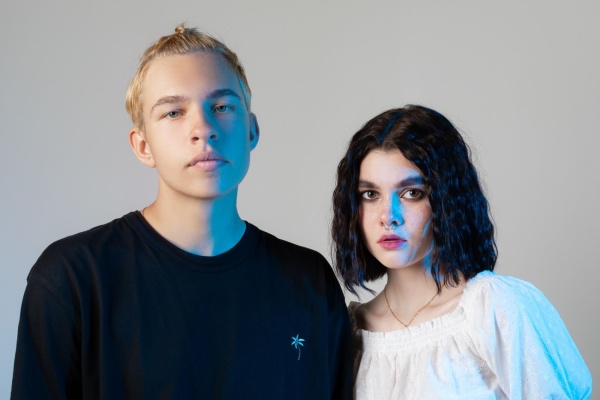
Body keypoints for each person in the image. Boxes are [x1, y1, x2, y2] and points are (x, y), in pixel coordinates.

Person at [11, 25, 352, 399]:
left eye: (221, 107)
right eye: (173, 112)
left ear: (251, 131)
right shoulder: (73, 279)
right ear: (143, 146)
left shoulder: (309, 281)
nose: (203, 129)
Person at [331, 105, 592, 399]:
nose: (388, 216)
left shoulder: (495, 309)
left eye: (412, 193)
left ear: (447, 200)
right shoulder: (348, 333)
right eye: (370, 194)